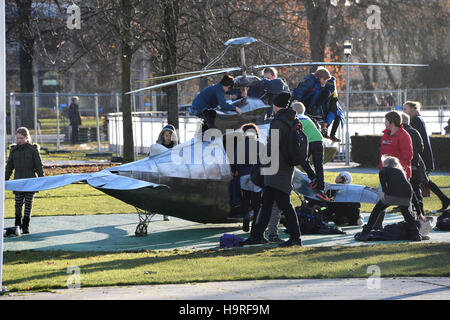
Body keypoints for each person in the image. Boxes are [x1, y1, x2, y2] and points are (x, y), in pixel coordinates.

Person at [243, 91, 302, 247]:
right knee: (267, 202)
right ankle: (257, 235)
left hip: (276, 169)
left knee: (284, 203)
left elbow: (272, 147)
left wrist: (262, 160)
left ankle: (296, 238)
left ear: (277, 105)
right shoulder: (291, 120)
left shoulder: (278, 122)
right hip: (284, 168)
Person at [355, 156, 422, 241]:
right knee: (406, 213)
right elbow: (413, 193)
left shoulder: (386, 169)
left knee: (376, 210)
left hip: (393, 194)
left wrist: (384, 190)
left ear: (387, 164)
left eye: (384, 164)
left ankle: (365, 233)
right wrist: (419, 212)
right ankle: (416, 235)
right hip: (407, 195)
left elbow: (382, 171)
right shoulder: (401, 173)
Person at [403, 101, 450, 211]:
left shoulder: (416, 121)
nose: (404, 111)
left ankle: (414, 204)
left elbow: (417, 141)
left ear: (413, 109)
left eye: (406, 109)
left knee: (421, 181)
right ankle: (442, 199)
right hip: (422, 156)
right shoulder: (417, 120)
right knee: (424, 181)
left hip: (421, 157)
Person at [373, 110, 413, 229]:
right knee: (382, 198)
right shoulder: (385, 134)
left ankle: (412, 225)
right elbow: (382, 155)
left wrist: (399, 172)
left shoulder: (404, 136)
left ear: (392, 123)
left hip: (400, 175)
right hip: (385, 173)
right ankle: (377, 224)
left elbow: (408, 156)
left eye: (386, 121)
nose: (384, 123)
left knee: (405, 202)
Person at [5, 127, 44, 234]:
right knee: (18, 204)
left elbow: (38, 166)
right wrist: (4, 180)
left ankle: (26, 226)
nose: (19, 140)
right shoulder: (13, 150)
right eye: (17, 138)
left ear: (27, 138)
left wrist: (42, 180)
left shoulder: (33, 150)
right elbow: (9, 168)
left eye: (21, 138)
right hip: (18, 182)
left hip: (31, 181)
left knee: (28, 203)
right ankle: (17, 224)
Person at [291, 101, 329, 201]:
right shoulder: (308, 118)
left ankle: (313, 178)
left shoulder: (296, 119)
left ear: (294, 111)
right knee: (319, 165)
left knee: (301, 159)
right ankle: (321, 189)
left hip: (309, 142)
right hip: (319, 141)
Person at [230, 123, 264, 232]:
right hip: (257, 177)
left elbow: (234, 161)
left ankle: (246, 217)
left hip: (244, 175)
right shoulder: (261, 145)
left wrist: (234, 170)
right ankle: (256, 224)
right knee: (257, 201)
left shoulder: (240, 145)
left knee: (245, 198)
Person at [400, 112, 427, 221]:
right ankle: (421, 211)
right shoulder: (415, 132)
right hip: (415, 164)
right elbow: (421, 148)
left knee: (403, 189)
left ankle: (408, 212)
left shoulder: (399, 133)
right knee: (416, 188)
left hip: (403, 166)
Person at [149, 125, 179, 221]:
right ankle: (157, 210)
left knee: (169, 194)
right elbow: (150, 158)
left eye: (170, 135)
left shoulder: (178, 147)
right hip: (160, 173)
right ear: (163, 136)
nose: (168, 137)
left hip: (172, 174)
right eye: (166, 135)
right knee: (161, 193)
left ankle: (167, 213)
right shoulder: (158, 147)